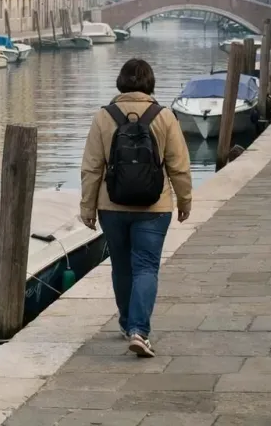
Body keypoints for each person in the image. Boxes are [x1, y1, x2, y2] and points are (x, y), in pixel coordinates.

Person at [80, 58, 192, 358]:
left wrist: (87, 207)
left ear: (121, 81)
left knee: (121, 266)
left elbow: (92, 168)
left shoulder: (103, 117)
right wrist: (185, 200)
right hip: (155, 207)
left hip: (112, 206)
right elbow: (179, 166)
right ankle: (139, 331)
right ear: (150, 83)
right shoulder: (165, 116)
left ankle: (127, 321)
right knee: (146, 266)